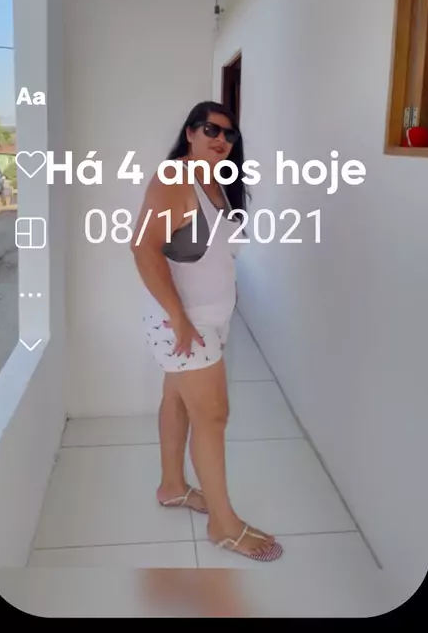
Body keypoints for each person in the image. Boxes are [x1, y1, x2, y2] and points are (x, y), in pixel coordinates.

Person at [132, 101, 283, 562]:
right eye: (210, 129)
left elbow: (214, 252)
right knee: (213, 416)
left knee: (177, 400)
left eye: (229, 134)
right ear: (190, 132)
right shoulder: (175, 179)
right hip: (184, 323)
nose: (221, 139)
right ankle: (223, 524)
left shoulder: (217, 182)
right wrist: (178, 317)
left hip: (210, 319)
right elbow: (143, 247)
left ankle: (172, 487)